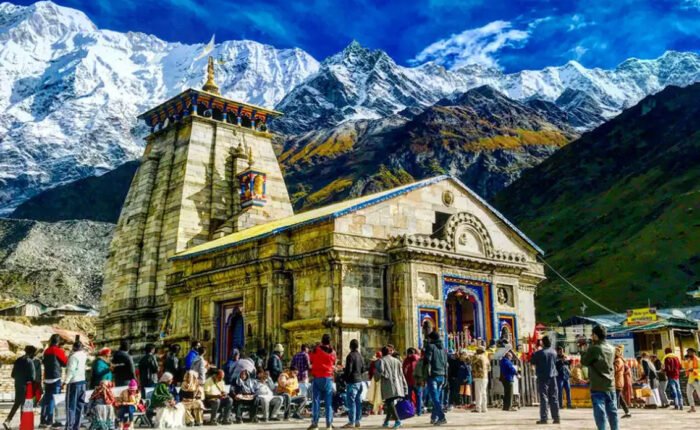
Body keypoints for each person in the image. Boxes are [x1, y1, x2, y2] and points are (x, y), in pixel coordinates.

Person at [581, 325, 618, 430]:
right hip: (610, 385)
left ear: (596, 336)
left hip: (597, 386)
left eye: (592, 334)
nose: (591, 336)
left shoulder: (594, 348)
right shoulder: (612, 348)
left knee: (600, 415)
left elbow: (584, 361)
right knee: (612, 413)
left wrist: (583, 350)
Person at [3, 345, 37, 430]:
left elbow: (12, 374)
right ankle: (23, 424)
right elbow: (33, 377)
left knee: (17, 404)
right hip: (26, 386)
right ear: (32, 353)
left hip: (18, 385)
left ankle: (8, 420)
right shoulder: (30, 361)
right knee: (24, 405)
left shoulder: (18, 360)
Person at [375, 345, 408, 429]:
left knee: (389, 402)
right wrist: (405, 386)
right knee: (390, 403)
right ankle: (386, 421)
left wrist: (376, 378)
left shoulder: (381, 361)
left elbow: (379, 373)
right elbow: (401, 374)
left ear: (382, 353)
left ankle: (397, 420)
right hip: (397, 384)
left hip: (387, 384)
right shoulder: (397, 361)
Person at [308, 334, 336, 430]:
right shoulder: (333, 352)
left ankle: (315, 424)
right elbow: (334, 362)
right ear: (329, 341)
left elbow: (311, 360)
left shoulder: (316, 350)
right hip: (328, 378)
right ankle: (329, 425)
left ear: (322, 340)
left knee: (316, 401)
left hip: (317, 377)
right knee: (328, 403)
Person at [531, 336, 560, 425]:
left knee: (544, 398)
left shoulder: (539, 353)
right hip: (553, 376)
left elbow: (532, 361)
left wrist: (535, 351)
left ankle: (544, 418)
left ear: (542, 343)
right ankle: (556, 418)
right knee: (554, 397)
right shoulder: (554, 352)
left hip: (543, 377)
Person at [41, 334, 68, 427]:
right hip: (55, 377)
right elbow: (65, 363)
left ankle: (43, 421)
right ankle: (49, 421)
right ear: (58, 342)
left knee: (46, 399)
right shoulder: (58, 351)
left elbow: (43, 362)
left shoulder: (46, 351)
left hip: (47, 377)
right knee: (53, 399)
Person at [424, 331, 448, 425]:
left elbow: (427, 360)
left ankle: (442, 417)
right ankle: (434, 417)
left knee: (435, 398)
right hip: (442, 375)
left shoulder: (430, 347)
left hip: (433, 375)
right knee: (437, 398)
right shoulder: (443, 349)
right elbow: (446, 364)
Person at [65, 336, 89, 430]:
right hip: (82, 382)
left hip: (73, 382)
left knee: (71, 406)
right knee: (80, 405)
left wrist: (65, 381)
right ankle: (76, 426)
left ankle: (69, 427)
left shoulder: (73, 357)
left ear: (74, 348)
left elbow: (71, 370)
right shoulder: (84, 355)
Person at [342, 339, 364, 428]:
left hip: (352, 381)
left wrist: (345, 378)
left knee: (351, 402)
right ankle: (358, 421)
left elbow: (349, 370)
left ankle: (351, 421)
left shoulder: (350, 356)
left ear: (350, 346)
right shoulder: (360, 356)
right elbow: (363, 369)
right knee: (358, 402)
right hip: (359, 381)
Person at [470, 346, 490, 415]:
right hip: (485, 377)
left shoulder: (478, 357)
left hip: (479, 376)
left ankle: (478, 408)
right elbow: (489, 368)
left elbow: (470, 360)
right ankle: (484, 408)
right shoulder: (486, 358)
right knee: (484, 392)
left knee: (478, 393)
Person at [613, 347, 631, 418]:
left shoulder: (618, 360)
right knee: (620, 398)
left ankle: (614, 414)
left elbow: (614, 369)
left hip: (617, 381)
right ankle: (627, 412)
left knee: (616, 399)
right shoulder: (619, 360)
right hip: (618, 381)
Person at [402, 348, 421, 415]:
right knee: (418, 397)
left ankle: (410, 411)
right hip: (418, 381)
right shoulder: (419, 359)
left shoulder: (406, 360)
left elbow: (404, 371)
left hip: (409, 381)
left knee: (408, 397)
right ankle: (419, 411)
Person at [683, 347, 699, 413]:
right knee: (688, 393)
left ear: (693, 352)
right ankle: (692, 408)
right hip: (690, 380)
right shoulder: (690, 361)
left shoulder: (698, 360)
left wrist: (693, 370)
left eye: (689, 352)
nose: (688, 354)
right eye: (687, 352)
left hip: (697, 379)